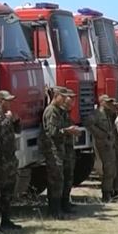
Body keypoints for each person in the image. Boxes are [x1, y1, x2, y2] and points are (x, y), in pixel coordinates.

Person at [38, 87, 77, 219]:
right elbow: (52, 132)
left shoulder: (59, 111)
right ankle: (54, 210)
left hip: (60, 149)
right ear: (57, 96)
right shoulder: (51, 111)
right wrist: (67, 131)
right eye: (63, 96)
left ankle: (60, 207)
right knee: (55, 180)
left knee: (61, 179)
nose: (66, 99)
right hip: (53, 150)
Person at [0, 90, 23, 230]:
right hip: (0, 160)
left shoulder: (8, 114)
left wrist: (16, 120)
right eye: (7, 100)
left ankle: (6, 220)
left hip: (10, 158)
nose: (10, 102)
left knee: (8, 191)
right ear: (0, 101)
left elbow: (18, 131)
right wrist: (8, 119)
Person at [87, 95, 118, 203]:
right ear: (101, 102)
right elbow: (89, 125)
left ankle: (110, 191)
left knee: (112, 168)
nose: (110, 104)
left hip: (110, 143)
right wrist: (101, 135)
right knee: (109, 168)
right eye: (107, 102)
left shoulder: (110, 113)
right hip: (102, 144)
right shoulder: (96, 114)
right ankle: (106, 193)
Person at [61, 90, 78, 213]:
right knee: (62, 178)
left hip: (68, 149)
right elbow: (54, 131)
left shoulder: (66, 113)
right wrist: (69, 131)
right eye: (70, 98)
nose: (72, 101)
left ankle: (66, 202)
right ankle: (61, 205)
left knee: (69, 177)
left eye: (73, 98)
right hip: (62, 149)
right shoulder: (59, 112)